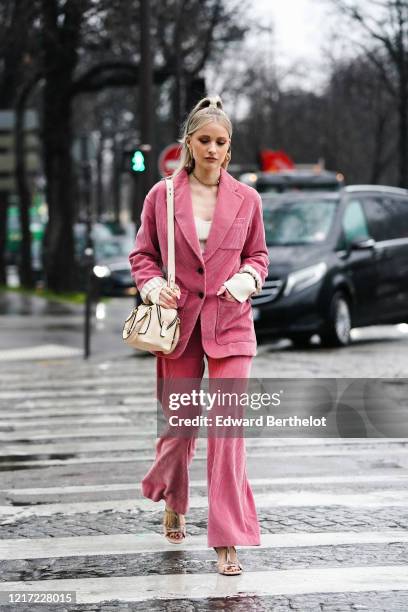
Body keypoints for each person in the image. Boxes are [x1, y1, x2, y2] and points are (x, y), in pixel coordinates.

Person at [128, 95, 270, 575]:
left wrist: (244, 280)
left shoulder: (247, 199)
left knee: (227, 432)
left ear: (229, 150)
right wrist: (151, 285)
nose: (213, 149)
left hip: (231, 324)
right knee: (181, 425)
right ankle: (173, 494)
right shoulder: (162, 195)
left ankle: (227, 537)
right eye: (205, 140)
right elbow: (142, 255)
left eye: (221, 142)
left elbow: (259, 257)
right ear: (189, 142)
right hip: (179, 325)